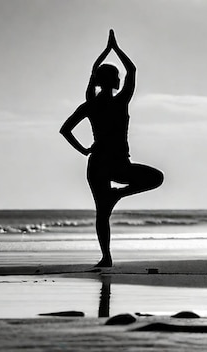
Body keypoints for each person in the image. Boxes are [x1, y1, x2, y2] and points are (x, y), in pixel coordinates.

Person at [60, 29, 163, 267]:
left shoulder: (90, 103)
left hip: (97, 162)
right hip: (116, 163)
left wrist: (84, 150)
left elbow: (65, 130)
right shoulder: (120, 101)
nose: (119, 79)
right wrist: (115, 49)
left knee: (102, 211)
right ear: (114, 81)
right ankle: (117, 197)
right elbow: (132, 70)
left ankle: (106, 256)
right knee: (156, 178)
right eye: (116, 76)